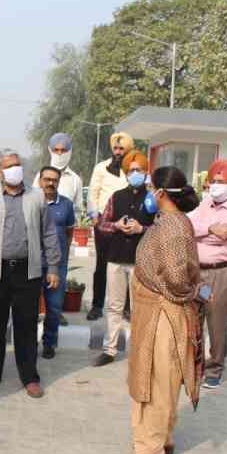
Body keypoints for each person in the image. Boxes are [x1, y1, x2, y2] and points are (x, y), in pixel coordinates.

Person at [126, 166, 207, 454]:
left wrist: (179, 291)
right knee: (166, 380)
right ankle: (165, 437)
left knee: (155, 382)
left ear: (160, 192)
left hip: (164, 313)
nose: (147, 191)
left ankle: (150, 449)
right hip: (157, 312)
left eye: (150, 186)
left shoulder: (173, 226)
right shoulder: (171, 221)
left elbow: (175, 277)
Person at [0, 148, 61, 398]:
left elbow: (49, 233)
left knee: (26, 324)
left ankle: (29, 376)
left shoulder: (37, 197)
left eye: (17, 164)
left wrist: (52, 267)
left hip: (28, 271)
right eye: (8, 166)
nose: (14, 170)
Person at [187, 159, 227, 389]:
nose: (215, 185)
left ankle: (214, 369)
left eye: (220, 182)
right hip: (198, 273)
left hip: (220, 274)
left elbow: (222, 236)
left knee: (217, 323)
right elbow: (186, 226)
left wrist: (202, 232)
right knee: (195, 319)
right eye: (212, 181)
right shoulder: (205, 204)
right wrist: (211, 228)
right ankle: (195, 365)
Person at [93, 151, 155, 367]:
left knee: (139, 308)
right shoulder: (116, 196)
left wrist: (142, 228)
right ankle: (109, 349)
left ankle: (139, 351)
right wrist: (117, 225)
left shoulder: (153, 198)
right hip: (116, 258)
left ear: (146, 172)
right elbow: (102, 224)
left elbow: (162, 227)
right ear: (126, 173)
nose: (135, 173)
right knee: (114, 306)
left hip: (140, 260)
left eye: (139, 170)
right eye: (131, 170)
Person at [86, 132, 132, 321]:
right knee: (101, 265)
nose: (119, 151)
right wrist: (94, 216)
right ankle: (97, 305)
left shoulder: (133, 168)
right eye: (116, 148)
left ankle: (127, 308)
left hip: (128, 224)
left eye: (122, 148)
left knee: (128, 266)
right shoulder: (101, 168)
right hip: (104, 223)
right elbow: (92, 193)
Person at [38, 166, 75, 360]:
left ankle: (49, 343)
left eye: (54, 180)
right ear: (40, 180)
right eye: (47, 179)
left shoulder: (66, 205)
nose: (50, 183)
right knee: (28, 307)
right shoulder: (32, 201)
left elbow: (69, 233)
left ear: (59, 182)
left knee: (54, 307)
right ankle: (27, 343)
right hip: (33, 263)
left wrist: (63, 256)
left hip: (57, 265)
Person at [32, 133, 84, 212]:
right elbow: (34, 204)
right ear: (50, 150)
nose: (59, 153)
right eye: (56, 150)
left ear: (69, 151)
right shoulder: (40, 176)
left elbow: (79, 209)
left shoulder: (75, 180)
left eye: (63, 150)